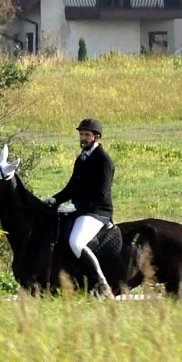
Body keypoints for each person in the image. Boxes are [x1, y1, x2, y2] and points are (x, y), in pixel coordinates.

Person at [47, 117, 115, 297]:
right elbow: (71, 188)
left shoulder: (103, 160)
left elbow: (101, 193)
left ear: (96, 137)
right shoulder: (82, 159)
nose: (83, 138)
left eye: (86, 135)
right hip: (82, 209)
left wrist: (76, 206)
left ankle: (101, 283)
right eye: (81, 134)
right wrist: (55, 200)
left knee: (76, 242)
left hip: (97, 212)